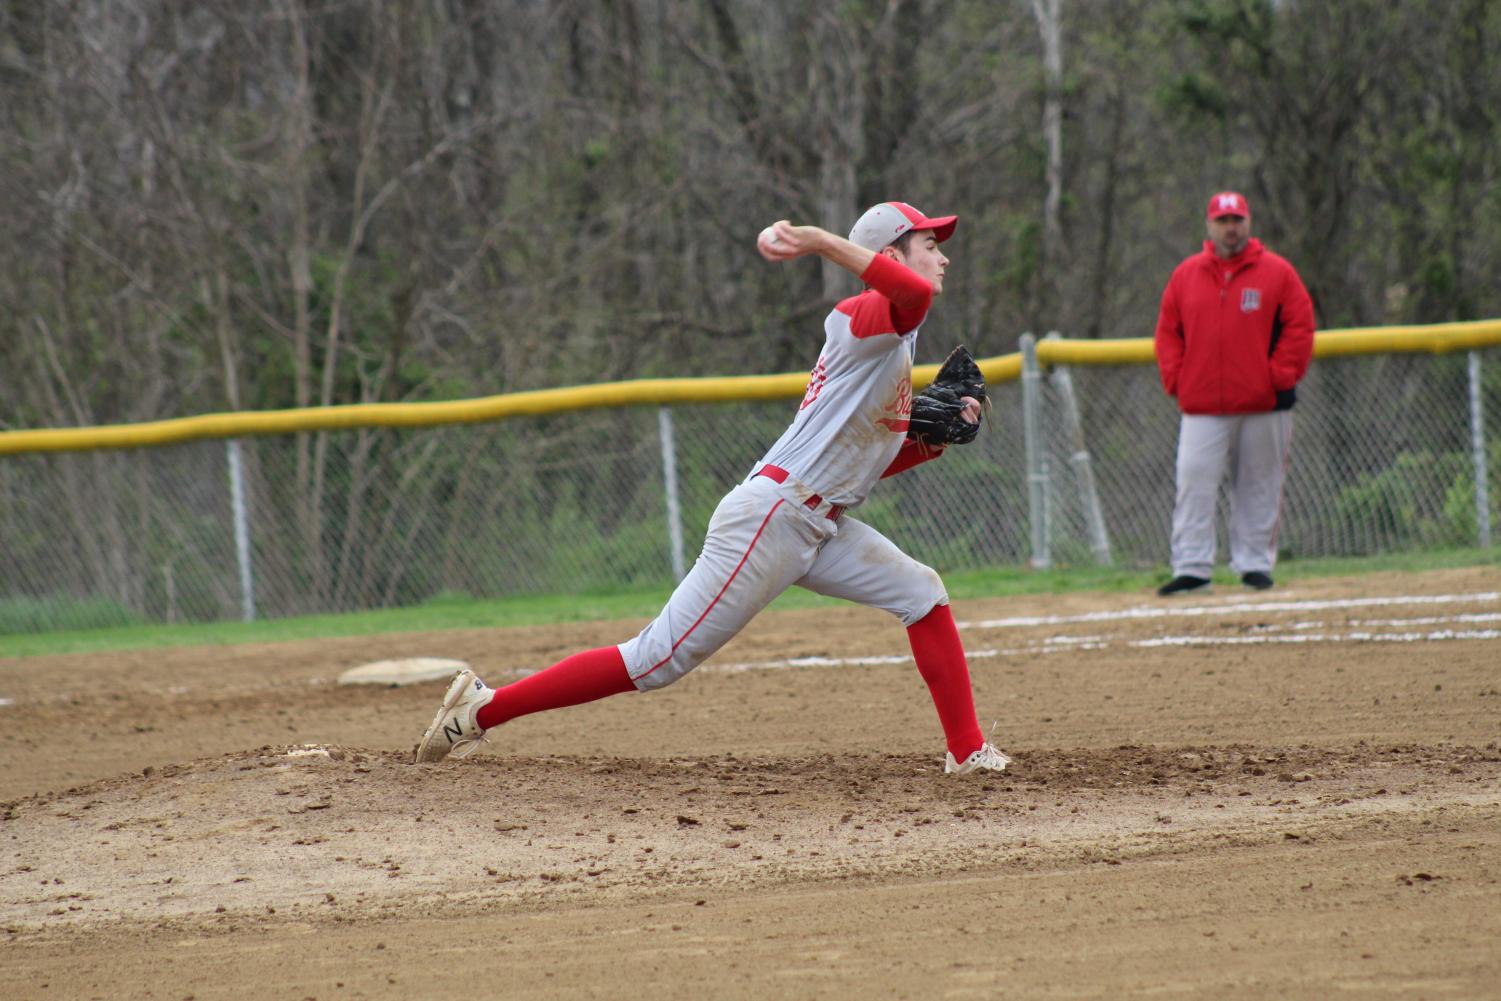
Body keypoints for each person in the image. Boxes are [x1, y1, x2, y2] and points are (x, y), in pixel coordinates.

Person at [415, 201, 1011, 775]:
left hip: (817, 520)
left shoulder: (891, 343)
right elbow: (913, 293)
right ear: (889, 254)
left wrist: (928, 443)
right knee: (654, 661)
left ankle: (967, 750)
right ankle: (483, 708)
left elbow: (857, 466)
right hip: (771, 520)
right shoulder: (863, 317)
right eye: (930, 244)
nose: (943, 258)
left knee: (921, 592)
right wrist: (822, 241)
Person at [1153, 191, 1315, 596]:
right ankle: (1192, 566)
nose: (1231, 228)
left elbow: (1299, 326)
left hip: (1264, 402)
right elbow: (1168, 332)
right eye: (1223, 220)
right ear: (1209, 225)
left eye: (1237, 220)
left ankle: (1254, 564)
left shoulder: (1277, 272)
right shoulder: (1186, 274)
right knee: (1193, 481)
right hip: (1203, 402)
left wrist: (1278, 375)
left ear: (1248, 223)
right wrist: (1177, 379)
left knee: (1260, 484)